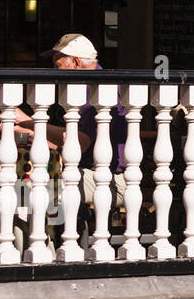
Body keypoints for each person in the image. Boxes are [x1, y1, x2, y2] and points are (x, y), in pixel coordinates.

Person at [14, 33, 128, 213]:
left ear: (75, 62)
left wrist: (28, 122)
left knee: (32, 187)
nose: (54, 73)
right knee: (19, 184)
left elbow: (80, 143)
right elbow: (71, 144)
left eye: (57, 66)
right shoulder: (88, 86)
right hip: (91, 172)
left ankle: (47, 240)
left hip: (111, 180)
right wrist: (30, 133)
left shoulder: (99, 89)